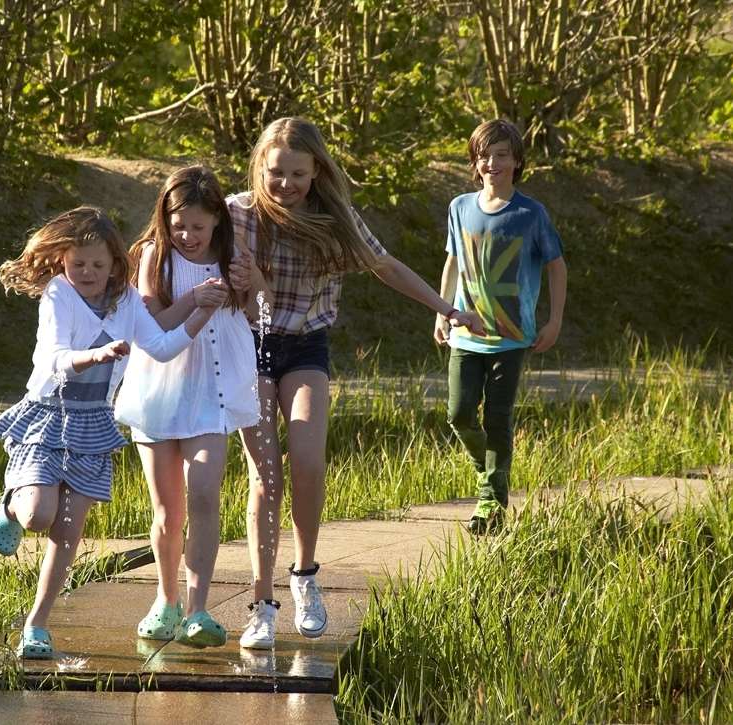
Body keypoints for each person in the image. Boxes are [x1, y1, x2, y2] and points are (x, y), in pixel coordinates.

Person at [227, 117, 486, 649]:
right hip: (245, 349)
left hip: (304, 349)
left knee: (308, 459)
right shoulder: (237, 214)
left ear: (316, 170)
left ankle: (304, 576)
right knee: (265, 476)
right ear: (260, 168)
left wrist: (447, 308)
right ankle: (261, 603)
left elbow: (385, 266)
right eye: (276, 173)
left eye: (298, 174)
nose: (285, 185)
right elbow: (175, 245)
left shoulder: (335, 219)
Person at [0, 206, 222, 659]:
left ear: (116, 264)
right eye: (78, 264)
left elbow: (163, 346)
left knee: (68, 530)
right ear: (62, 262)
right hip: (48, 413)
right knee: (39, 515)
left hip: (94, 422)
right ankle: (10, 508)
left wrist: (199, 314)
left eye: (97, 265)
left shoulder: (127, 300)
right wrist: (93, 357)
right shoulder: (59, 294)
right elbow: (55, 356)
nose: (87, 273)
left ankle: (37, 625)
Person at [115, 166, 270, 649]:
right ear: (165, 218)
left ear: (217, 223)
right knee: (168, 510)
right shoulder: (153, 258)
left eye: (198, 227)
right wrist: (194, 300)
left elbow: (260, 310)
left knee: (204, 493)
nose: (187, 235)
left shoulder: (233, 256)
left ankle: (198, 607)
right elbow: (151, 320)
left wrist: (253, 282)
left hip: (213, 393)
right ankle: (166, 599)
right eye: (179, 225)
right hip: (159, 393)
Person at [434, 118, 567, 535]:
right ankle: (489, 472)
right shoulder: (459, 207)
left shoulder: (531, 213)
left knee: (498, 417)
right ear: (475, 162)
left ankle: (491, 501)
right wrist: (441, 310)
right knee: (458, 414)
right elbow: (453, 261)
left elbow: (557, 266)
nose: (492, 162)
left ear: (517, 161)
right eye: (484, 155)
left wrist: (555, 319)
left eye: (501, 155)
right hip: (465, 334)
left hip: (512, 338)